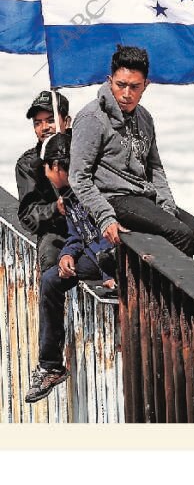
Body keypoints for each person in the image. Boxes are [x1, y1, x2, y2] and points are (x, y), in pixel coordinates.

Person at [69, 45, 194, 256]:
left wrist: (166, 206)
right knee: (180, 234)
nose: (127, 94)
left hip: (144, 196)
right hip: (114, 198)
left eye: (134, 87)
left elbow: (155, 167)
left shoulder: (145, 117)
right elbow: (78, 178)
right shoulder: (92, 118)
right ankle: (171, 288)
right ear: (109, 81)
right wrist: (104, 217)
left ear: (145, 85)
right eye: (121, 85)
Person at [25, 132, 117, 404]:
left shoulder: (91, 189)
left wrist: (108, 274)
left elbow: (109, 236)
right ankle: (51, 365)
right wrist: (67, 255)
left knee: (107, 258)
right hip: (90, 253)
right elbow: (77, 234)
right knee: (51, 280)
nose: (45, 173)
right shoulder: (68, 194)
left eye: (46, 168)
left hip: (111, 259)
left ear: (56, 167)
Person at [16, 90, 71, 271]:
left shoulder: (86, 150)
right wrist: (56, 209)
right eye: (38, 123)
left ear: (67, 121)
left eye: (50, 120)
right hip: (57, 232)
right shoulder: (28, 164)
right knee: (49, 261)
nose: (44, 127)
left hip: (94, 226)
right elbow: (28, 215)